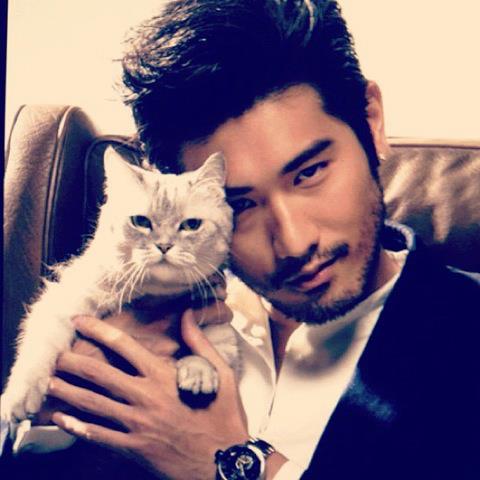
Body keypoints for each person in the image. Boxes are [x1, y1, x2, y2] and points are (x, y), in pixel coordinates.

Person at [2, 1, 479, 479]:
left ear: (371, 121)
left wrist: (232, 462)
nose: (293, 243)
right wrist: (56, 402)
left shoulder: (466, 332)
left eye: (310, 173)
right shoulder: (133, 314)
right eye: (240, 204)